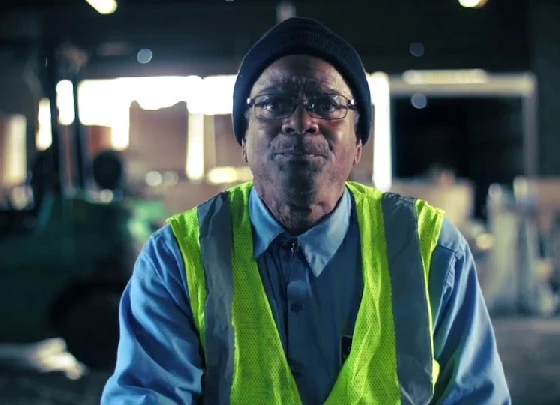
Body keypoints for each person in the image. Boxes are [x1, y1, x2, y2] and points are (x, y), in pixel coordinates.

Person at [101, 17, 510, 405]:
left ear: (359, 142)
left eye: (326, 102)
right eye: (274, 103)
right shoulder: (177, 259)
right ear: (243, 139)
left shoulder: (431, 251)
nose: (300, 121)